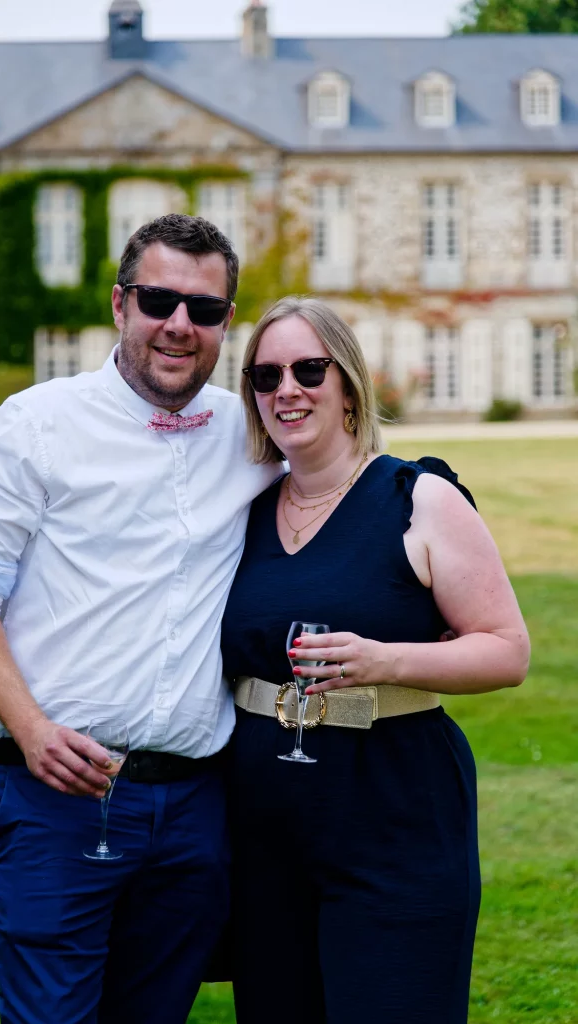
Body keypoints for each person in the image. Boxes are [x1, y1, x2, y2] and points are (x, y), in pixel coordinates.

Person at [0, 214, 280, 1024]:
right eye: (159, 300)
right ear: (120, 305)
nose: (179, 326)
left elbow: (339, 472)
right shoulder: (35, 426)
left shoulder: (249, 431)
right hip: (57, 798)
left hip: (196, 808)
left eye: (206, 310)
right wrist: (33, 727)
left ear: (226, 323)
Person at [221, 296, 530, 1024]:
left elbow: (505, 651)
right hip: (264, 827)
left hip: (394, 814)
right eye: (266, 376)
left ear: (349, 384)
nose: (286, 389)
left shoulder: (418, 498)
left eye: (308, 369)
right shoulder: (243, 511)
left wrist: (385, 659)